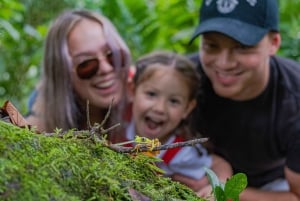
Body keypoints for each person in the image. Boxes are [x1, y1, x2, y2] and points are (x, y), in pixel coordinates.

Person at [172, 0, 300, 200]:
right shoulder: (183, 81)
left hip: (272, 185)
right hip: (199, 170)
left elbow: (295, 196)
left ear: (274, 43)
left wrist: (224, 192)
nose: (224, 63)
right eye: (211, 46)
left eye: (243, 47)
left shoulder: (294, 99)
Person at [122, 51, 232, 197]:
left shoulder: (182, 152)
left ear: (187, 108)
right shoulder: (118, 122)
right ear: (132, 90)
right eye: (151, 94)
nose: (159, 108)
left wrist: (218, 188)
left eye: (173, 101)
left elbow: (219, 165)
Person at [26, 9, 131, 134]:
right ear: (62, 74)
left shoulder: (141, 91)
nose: (106, 68)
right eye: (86, 64)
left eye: (113, 55)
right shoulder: (39, 128)